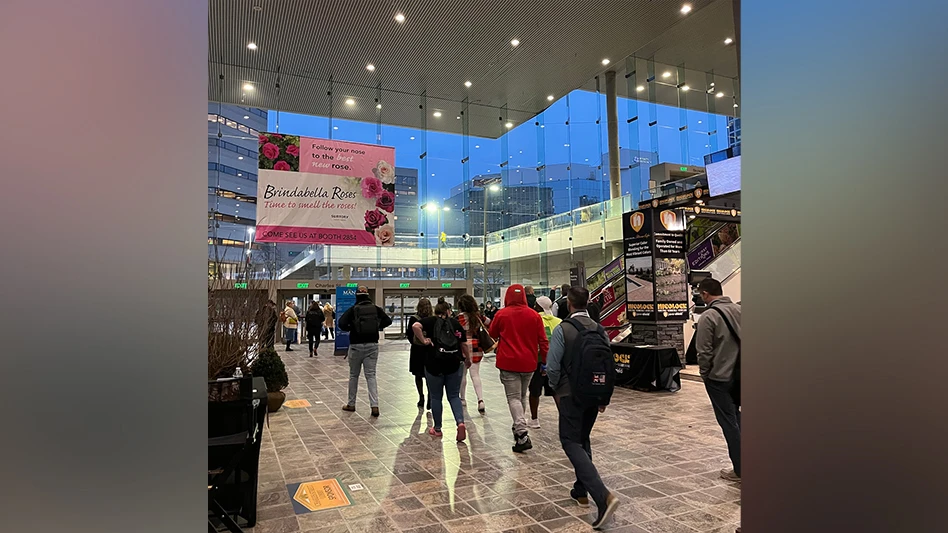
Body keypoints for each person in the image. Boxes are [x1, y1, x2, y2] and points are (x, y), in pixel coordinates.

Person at [546, 286, 620, 530]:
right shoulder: (599, 329)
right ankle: (581, 490)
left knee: (570, 441)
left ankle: (602, 495)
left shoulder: (563, 329)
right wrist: (604, 396)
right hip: (595, 392)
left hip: (570, 394)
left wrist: (556, 388)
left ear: (569, 303)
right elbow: (607, 364)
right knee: (583, 438)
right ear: (587, 303)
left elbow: (552, 366)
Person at [489, 284, 549, 453]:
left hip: (508, 363)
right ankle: (518, 427)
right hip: (529, 363)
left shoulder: (502, 314)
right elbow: (543, 341)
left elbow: (492, 333)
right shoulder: (534, 315)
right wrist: (545, 361)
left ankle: (521, 432)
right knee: (522, 396)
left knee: (513, 398)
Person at [695, 277, 742, 482]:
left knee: (729, 422)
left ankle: (741, 469)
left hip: (719, 378)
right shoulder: (740, 310)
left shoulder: (709, 316)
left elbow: (704, 351)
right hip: (742, 374)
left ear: (705, 294)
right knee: (739, 419)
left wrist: (705, 374)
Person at [412, 302, 472, 441]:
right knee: (454, 396)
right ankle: (460, 422)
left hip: (434, 364)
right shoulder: (455, 323)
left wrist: (424, 340)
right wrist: (468, 359)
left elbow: (415, 326)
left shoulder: (429, 321)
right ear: (448, 311)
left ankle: (437, 428)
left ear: (436, 311)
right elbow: (464, 343)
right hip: (454, 363)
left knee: (436, 397)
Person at [338, 286, 393, 417]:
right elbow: (388, 321)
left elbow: (341, 323)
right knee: (371, 376)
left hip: (356, 345)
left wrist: (352, 327)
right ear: (368, 295)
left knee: (353, 375)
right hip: (372, 345)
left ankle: (351, 404)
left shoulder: (353, 310)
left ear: (356, 296)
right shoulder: (375, 309)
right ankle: (374, 406)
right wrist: (376, 326)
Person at [528, 296, 562, 428]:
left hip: (538, 360)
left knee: (534, 391)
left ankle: (534, 419)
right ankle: (564, 418)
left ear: (537, 306)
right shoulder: (559, 321)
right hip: (555, 361)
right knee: (556, 391)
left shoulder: (534, 320)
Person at [457, 294, 488, 413]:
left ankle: (462, 399)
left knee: (463, 375)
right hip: (476, 347)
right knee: (475, 375)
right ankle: (480, 400)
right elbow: (490, 322)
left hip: (462, 348)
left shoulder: (459, 318)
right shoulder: (478, 317)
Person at [406, 298, 433, 409]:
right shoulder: (432, 319)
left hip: (417, 350)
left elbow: (409, 334)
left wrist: (415, 343)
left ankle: (421, 396)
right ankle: (430, 397)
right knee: (429, 375)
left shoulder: (413, 319)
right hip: (429, 350)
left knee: (418, 375)